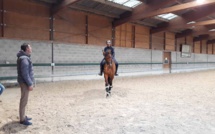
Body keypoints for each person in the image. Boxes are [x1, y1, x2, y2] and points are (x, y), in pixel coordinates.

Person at [17, 43, 34, 125]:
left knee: (25, 100)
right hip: (25, 82)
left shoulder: (24, 58)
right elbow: (25, 73)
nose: (31, 48)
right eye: (30, 47)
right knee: (24, 100)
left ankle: (23, 116)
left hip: (24, 82)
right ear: (27, 49)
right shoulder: (24, 59)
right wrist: (30, 83)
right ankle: (22, 119)